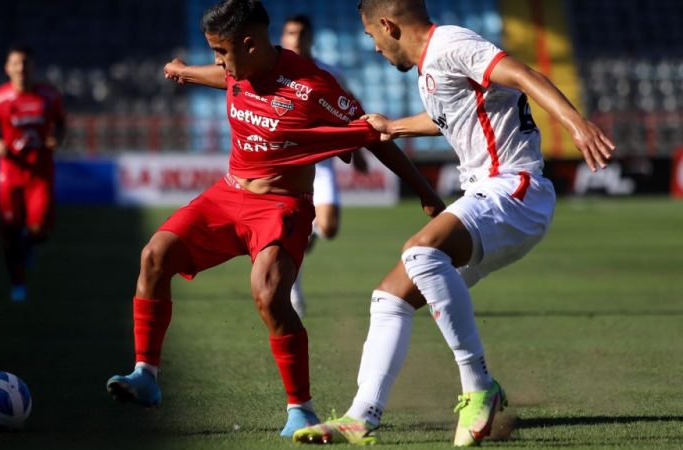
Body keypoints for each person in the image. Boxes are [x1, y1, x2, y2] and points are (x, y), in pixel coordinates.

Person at [106, 0, 444, 438]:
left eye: (221, 52)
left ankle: (300, 408)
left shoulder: (314, 87)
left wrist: (424, 190)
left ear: (249, 44)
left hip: (282, 206)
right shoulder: (237, 68)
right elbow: (221, 77)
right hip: (227, 194)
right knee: (154, 255)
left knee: (268, 294)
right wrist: (185, 72)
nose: (218, 62)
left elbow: (373, 135)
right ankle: (146, 375)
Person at [293, 0, 615, 446]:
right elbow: (451, 116)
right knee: (389, 298)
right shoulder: (433, 65)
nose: (375, 49)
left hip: (513, 189)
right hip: (493, 195)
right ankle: (360, 416)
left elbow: (523, 74)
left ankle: (480, 386)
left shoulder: (451, 44)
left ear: (388, 25)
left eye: (372, 38)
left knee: (420, 252)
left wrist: (576, 124)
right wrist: (394, 127)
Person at [281, 14, 369, 318]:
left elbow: (351, 109)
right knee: (289, 230)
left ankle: (303, 242)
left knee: (328, 228)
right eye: (290, 33)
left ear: (310, 38)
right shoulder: (275, 71)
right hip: (289, 163)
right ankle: (292, 287)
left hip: (322, 163)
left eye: (301, 33)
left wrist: (358, 152)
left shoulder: (328, 72)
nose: (296, 38)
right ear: (283, 37)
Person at [0, 45, 66, 302]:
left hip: (40, 173)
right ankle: (17, 282)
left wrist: (56, 138)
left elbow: (60, 123)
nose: (21, 68)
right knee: (10, 232)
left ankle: (29, 243)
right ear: (7, 68)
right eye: (16, 63)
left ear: (33, 67)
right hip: (11, 175)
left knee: (40, 230)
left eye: (25, 63)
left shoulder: (49, 96)